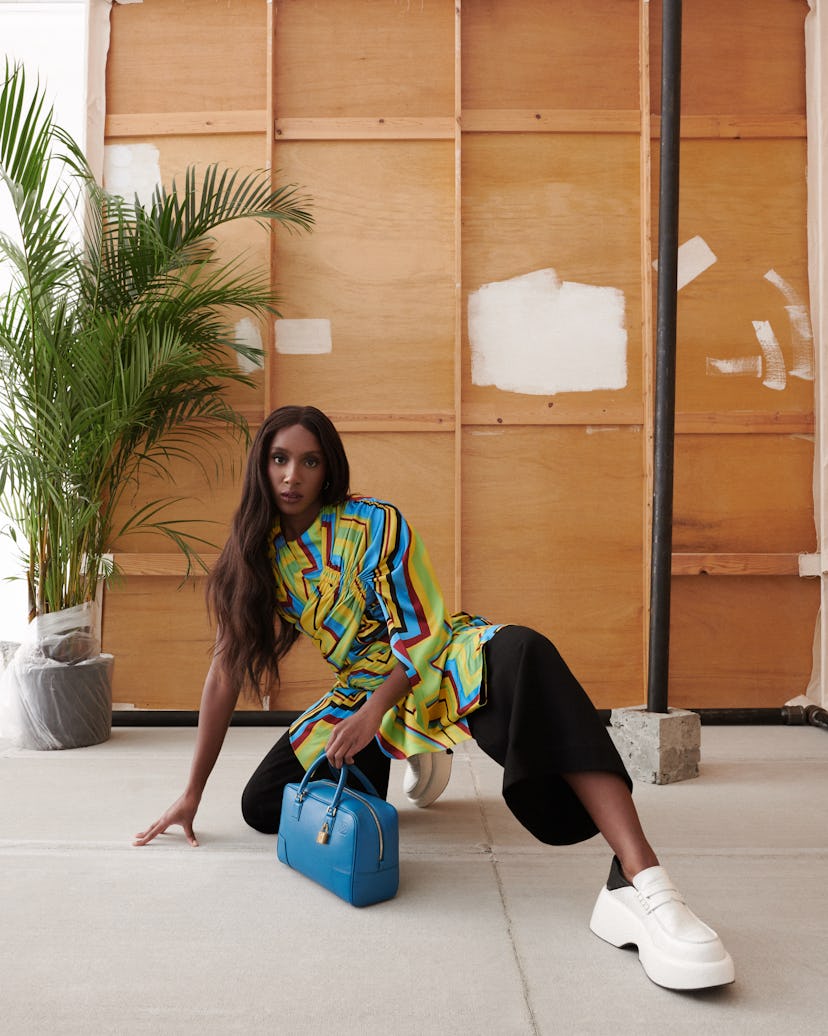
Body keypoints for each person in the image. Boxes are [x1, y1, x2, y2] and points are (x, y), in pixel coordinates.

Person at [135, 404, 735, 991]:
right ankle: (417, 746)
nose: (292, 476)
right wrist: (191, 793)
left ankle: (640, 880)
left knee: (526, 652)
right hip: (363, 686)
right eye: (279, 459)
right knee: (264, 806)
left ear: (328, 468)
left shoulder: (375, 523)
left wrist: (376, 714)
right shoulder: (255, 554)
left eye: (309, 461)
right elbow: (223, 673)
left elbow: (421, 629)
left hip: (434, 656)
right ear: (261, 468)